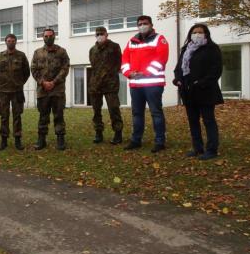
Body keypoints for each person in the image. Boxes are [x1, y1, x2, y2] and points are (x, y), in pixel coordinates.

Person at [173, 23, 224, 160]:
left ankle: (212, 149)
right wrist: (177, 79)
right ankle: (197, 148)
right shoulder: (186, 49)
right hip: (188, 92)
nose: (197, 34)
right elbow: (179, 68)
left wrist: (200, 83)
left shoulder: (212, 49)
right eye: (194, 32)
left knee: (208, 120)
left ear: (206, 34)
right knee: (193, 121)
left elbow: (216, 70)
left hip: (205, 91)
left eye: (200, 32)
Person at [121, 15, 169, 153]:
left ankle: (160, 141)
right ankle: (136, 140)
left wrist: (145, 73)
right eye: (140, 24)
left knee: (156, 113)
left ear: (151, 24)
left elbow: (161, 59)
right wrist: (128, 73)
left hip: (153, 85)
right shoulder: (132, 41)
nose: (142, 25)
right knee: (137, 113)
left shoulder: (159, 39)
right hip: (136, 85)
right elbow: (124, 60)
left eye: (145, 23)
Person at [31, 28, 70, 151]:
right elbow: (34, 69)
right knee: (43, 116)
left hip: (57, 90)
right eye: (46, 36)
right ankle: (41, 140)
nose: (48, 38)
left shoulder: (61, 52)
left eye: (50, 36)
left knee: (59, 115)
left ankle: (60, 139)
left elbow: (65, 68)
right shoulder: (37, 53)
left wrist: (54, 82)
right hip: (43, 91)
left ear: (54, 36)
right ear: (43, 37)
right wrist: (43, 82)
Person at [0, 33, 30, 150]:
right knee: (4, 116)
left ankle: (18, 139)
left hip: (17, 91)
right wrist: (4, 82)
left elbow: (26, 72)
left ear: (16, 42)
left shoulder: (21, 56)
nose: (11, 42)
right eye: (9, 40)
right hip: (4, 91)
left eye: (13, 41)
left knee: (17, 116)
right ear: (5, 42)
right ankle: (4, 140)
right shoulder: (0, 56)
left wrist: (19, 83)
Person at [88, 26, 124, 145]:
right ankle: (98, 133)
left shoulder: (114, 47)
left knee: (114, 109)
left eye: (101, 33)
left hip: (110, 85)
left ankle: (118, 133)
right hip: (95, 85)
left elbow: (119, 64)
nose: (99, 35)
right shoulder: (92, 50)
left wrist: (109, 74)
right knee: (96, 111)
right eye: (97, 34)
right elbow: (93, 65)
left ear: (106, 34)